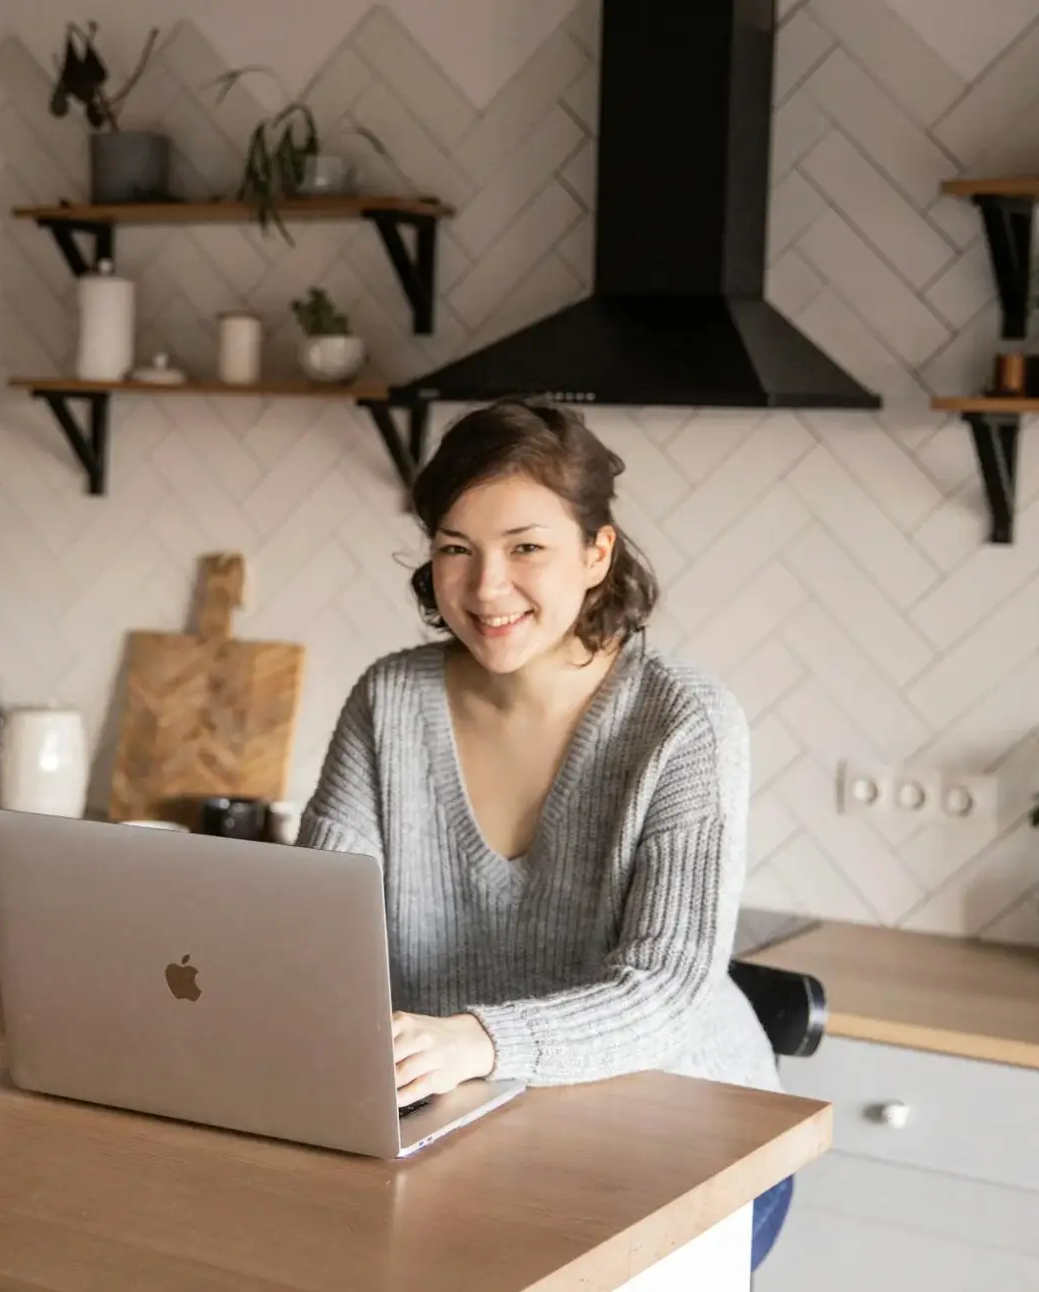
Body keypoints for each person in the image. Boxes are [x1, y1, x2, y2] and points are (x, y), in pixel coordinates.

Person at [296, 398, 794, 1270]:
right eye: (456, 549)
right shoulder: (390, 700)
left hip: (684, 1140)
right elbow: (315, 932)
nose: (487, 588)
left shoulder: (684, 720)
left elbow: (667, 992)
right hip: (458, 1124)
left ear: (596, 554)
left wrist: (477, 1039)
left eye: (526, 547)